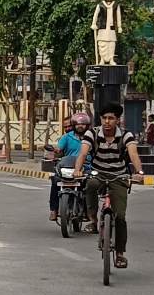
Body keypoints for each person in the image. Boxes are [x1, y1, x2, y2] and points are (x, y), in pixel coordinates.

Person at [71, 106, 144, 268]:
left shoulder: (126, 135)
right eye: (104, 118)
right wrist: (77, 170)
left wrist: (138, 172)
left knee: (120, 217)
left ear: (118, 120)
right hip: (98, 174)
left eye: (111, 118)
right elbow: (82, 154)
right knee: (89, 185)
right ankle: (92, 219)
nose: (107, 122)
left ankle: (119, 254)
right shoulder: (93, 133)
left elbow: (133, 154)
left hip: (119, 177)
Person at [49, 110, 91, 222]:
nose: (80, 126)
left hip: (86, 167)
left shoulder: (92, 137)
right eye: (77, 124)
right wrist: (56, 150)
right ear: (74, 125)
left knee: (90, 185)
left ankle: (89, 212)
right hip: (68, 166)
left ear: (87, 125)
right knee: (55, 181)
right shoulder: (67, 137)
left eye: (82, 124)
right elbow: (59, 148)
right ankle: (54, 210)